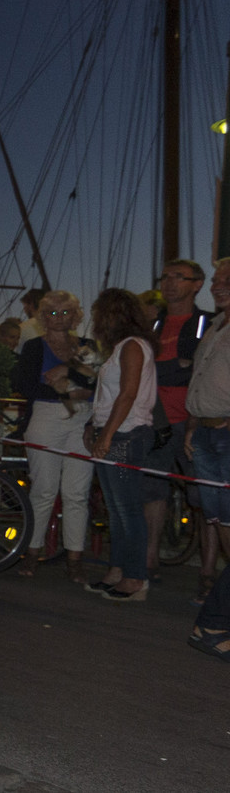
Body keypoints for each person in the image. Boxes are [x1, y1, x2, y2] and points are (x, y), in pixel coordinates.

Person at [11, 290, 98, 581]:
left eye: (65, 312)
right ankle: (31, 553)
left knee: (77, 494)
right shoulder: (35, 347)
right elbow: (27, 385)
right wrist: (74, 385)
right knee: (43, 490)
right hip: (46, 419)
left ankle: (75, 559)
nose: (59, 318)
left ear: (76, 316)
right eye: (52, 312)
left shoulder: (88, 345)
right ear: (42, 316)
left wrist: (64, 373)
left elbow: (96, 384)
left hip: (82, 420)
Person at [83, 288, 158, 601]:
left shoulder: (132, 347)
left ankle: (135, 578)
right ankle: (118, 570)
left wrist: (107, 435)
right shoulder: (119, 348)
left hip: (127, 433)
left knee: (127, 510)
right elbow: (109, 396)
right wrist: (94, 425)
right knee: (116, 510)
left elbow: (127, 394)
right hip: (116, 431)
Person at [146, 259, 211, 579]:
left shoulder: (207, 323)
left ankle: (208, 570)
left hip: (194, 421)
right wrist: (178, 367)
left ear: (197, 284)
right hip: (156, 420)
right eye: (166, 276)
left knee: (204, 496)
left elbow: (200, 369)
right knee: (152, 490)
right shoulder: (153, 324)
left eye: (179, 277)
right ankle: (149, 560)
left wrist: (172, 369)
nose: (170, 283)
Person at [184, 258, 230, 605]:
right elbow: (199, 381)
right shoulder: (214, 327)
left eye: (226, 279)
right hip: (204, 434)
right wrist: (193, 425)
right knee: (217, 517)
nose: (218, 284)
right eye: (216, 279)